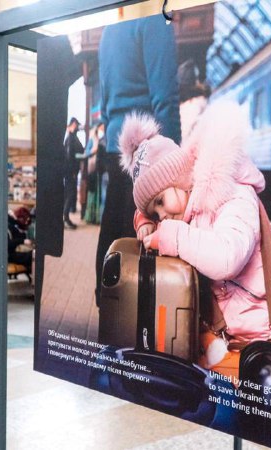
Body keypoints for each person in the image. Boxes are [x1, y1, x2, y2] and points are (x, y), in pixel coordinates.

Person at [118, 103, 271, 379]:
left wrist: (172, 236)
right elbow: (150, 206)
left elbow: (227, 258)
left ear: (180, 178)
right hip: (264, 338)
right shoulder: (188, 205)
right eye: (156, 213)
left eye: (161, 204)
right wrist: (146, 222)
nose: (163, 216)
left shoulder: (232, 196)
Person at [95, 15, 182, 304]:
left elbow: (104, 99)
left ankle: (107, 301)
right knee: (143, 232)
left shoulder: (109, 29)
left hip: (115, 144)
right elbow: (165, 98)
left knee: (113, 227)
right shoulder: (153, 21)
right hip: (146, 148)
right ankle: (135, 313)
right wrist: (174, 159)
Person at [63, 117, 84, 230]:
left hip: (72, 171)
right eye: (76, 125)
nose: (77, 127)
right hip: (70, 172)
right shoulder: (70, 139)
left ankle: (66, 218)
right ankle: (65, 218)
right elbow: (69, 157)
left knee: (70, 194)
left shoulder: (72, 138)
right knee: (70, 195)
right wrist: (72, 172)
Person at [8, 207, 33, 276]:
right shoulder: (9, 226)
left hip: (15, 252)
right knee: (33, 255)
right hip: (11, 254)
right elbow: (8, 243)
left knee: (34, 254)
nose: (26, 222)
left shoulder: (15, 224)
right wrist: (23, 241)